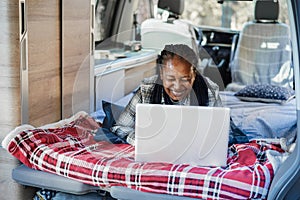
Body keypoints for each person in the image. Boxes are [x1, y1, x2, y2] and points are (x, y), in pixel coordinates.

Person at [110, 44, 225, 145]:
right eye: (170, 78)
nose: (177, 86)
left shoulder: (210, 91)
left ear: (194, 75)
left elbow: (224, 133)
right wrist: (141, 141)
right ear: (161, 74)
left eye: (185, 79)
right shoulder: (147, 90)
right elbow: (119, 127)